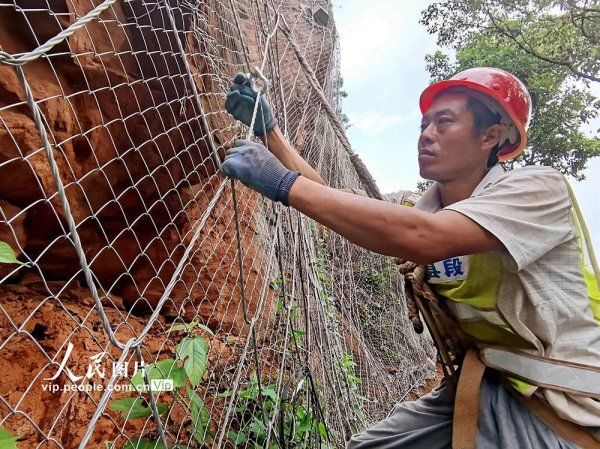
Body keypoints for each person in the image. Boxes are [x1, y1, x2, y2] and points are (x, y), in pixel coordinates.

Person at [222, 68, 600, 448]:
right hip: (482, 382)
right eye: (424, 123)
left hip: (563, 403)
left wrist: (285, 185)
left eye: (444, 121)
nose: (426, 133)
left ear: (491, 136)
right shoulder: (423, 210)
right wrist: (270, 133)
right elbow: (337, 202)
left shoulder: (537, 189)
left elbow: (423, 237)